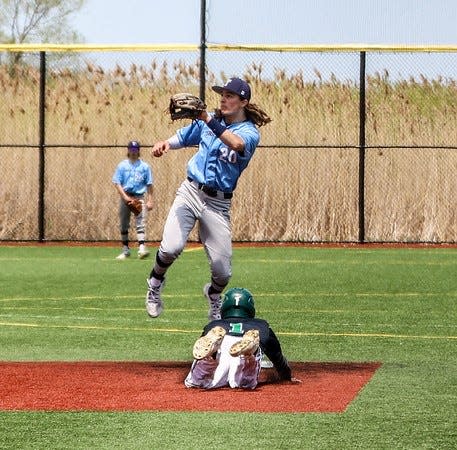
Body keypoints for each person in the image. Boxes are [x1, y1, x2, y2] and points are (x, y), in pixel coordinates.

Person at [145, 77, 271, 319]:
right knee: (171, 247)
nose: (223, 98)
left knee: (222, 272)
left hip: (218, 203)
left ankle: (213, 295)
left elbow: (235, 143)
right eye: (222, 94)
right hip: (191, 192)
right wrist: (165, 144)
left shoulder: (249, 132)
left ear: (243, 101)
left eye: (230, 95)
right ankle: (155, 283)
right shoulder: (208, 122)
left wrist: (208, 119)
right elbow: (182, 137)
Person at [184, 287, 292, 390]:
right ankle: (248, 358)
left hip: (222, 341)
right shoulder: (261, 326)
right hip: (244, 342)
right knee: (244, 383)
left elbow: (197, 355)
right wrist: (286, 376)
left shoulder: (213, 325)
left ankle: (208, 361)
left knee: (196, 382)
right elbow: (278, 358)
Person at [112, 140, 154, 260]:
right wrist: (125, 197)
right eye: (131, 150)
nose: (133, 152)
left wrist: (150, 200)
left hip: (138, 196)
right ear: (128, 150)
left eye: (135, 150)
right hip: (126, 196)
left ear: (138, 151)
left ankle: (141, 248)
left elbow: (149, 184)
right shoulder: (122, 165)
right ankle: (125, 250)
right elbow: (117, 183)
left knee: (141, 222)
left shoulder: (145, 166)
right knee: (124, 223)